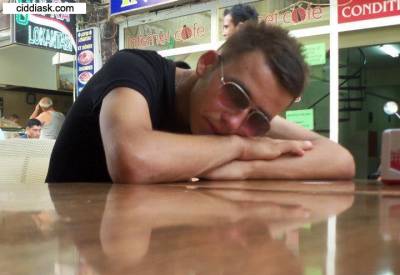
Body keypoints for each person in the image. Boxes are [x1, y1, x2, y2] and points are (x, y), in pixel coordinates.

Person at [46, 23, 355, 183]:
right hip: (66, 250)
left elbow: (340, 159)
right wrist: (241, 147)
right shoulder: (134, 69)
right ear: (206, 64)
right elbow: (132, 160)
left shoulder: (242, 113)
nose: (234, 123)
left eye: (258, 120)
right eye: (235, 94)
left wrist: (245, 170)